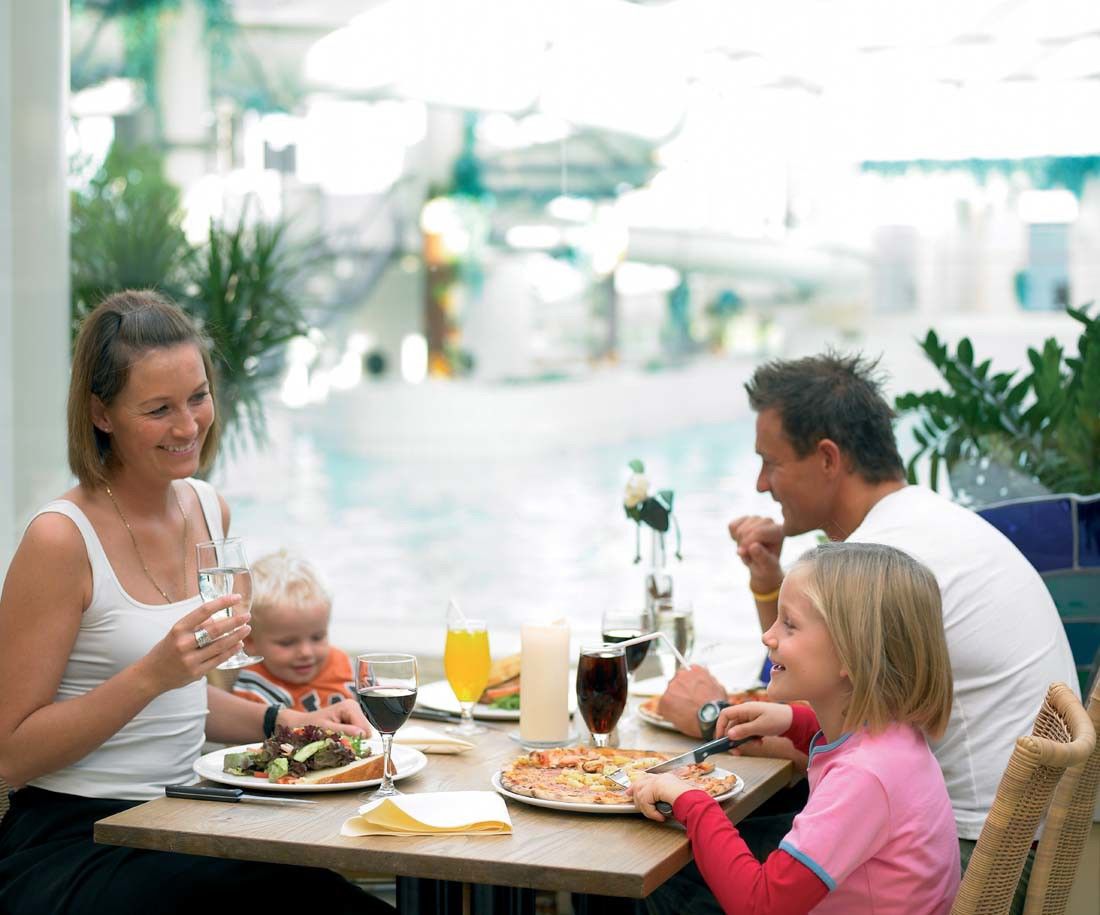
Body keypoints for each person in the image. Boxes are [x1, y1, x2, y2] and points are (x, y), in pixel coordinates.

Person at [0, 290, 391, 914]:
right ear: (101, 414)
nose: (188, 426)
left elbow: (177, 700)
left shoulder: (208, 508)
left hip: (183, 813)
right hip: (75, 838)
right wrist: (153, 672)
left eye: (198, 397)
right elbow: (11, 752)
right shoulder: (58, 539)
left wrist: (286, 724)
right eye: (158, 409)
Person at [657, 352, 1077, 902]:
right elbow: (827, 690)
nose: (762, 484)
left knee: (670, 873)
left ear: (828, 458)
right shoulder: (918, 525)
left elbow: (830, 715)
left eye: (771, 462)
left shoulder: (887, 560)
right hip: (989, 835)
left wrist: (711, 716)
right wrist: (770, 585)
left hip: (976, 856)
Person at [634, 542, 960, 915]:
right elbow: (851, 744)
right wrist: (793, 722)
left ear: (851, 654)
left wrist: (690, 799)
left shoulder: (863, 778)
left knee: (653, 888)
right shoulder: (896, 738)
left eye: (788, 624)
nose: (768, 636)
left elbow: (760, 905)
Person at [231, 549, 355, 712]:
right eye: (287, 643)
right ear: (249, 641)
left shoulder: (343, 664)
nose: (306, 652)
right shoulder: (255, 690)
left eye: (317, 637)